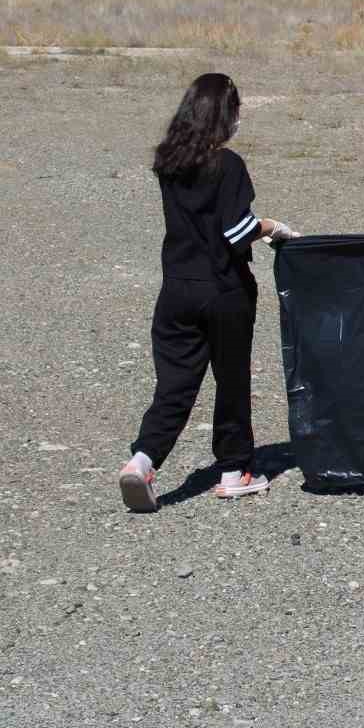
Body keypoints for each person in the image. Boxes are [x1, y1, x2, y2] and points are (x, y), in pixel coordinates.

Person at [119, 73, 298, 513]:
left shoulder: (169, 162)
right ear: (224, 115)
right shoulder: (227, 165)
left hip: (176, 287)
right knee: (231, 380)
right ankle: (235, 470)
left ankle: (142, 461)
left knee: (175, 384)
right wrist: (275, 228)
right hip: (223, 289)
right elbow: (237, 232)